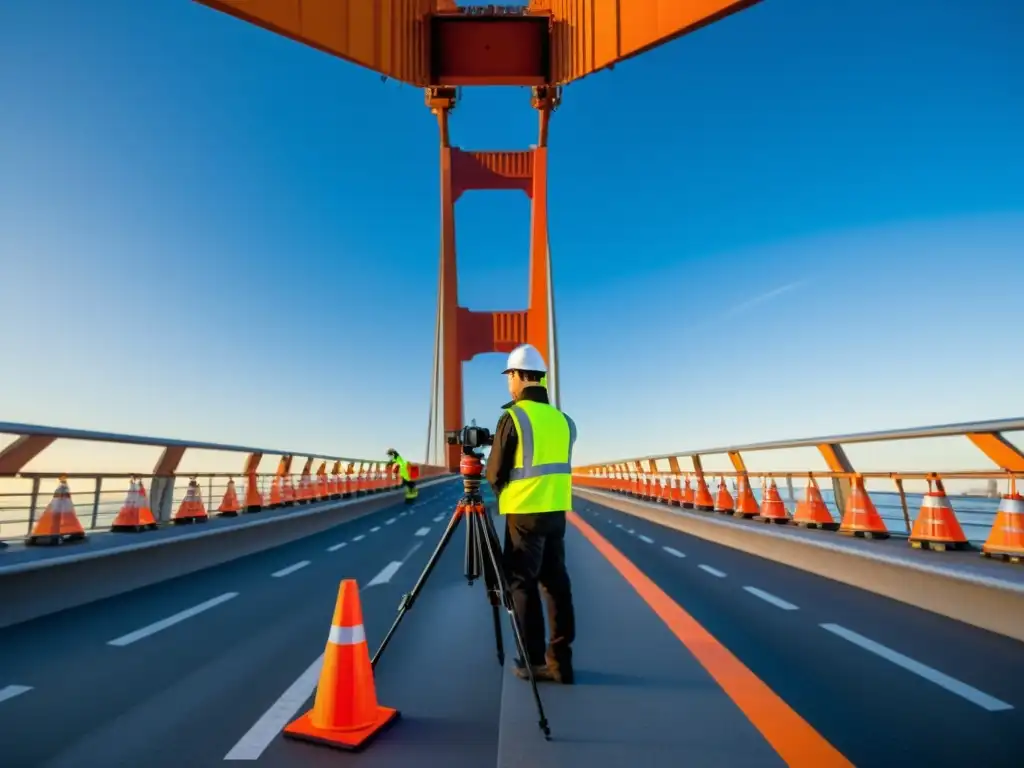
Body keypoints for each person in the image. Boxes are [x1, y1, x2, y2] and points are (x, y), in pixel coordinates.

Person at [485, 343, 577, 684]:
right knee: (556, 584)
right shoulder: (564, 421)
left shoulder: (513, 417)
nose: (508, 383)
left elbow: (495, 472)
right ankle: (560, 661)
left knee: (521, 583)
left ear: (519, 376)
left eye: (509, 375)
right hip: (556, 512)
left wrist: (502, 494)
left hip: (524, 514)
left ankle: (533, 659)